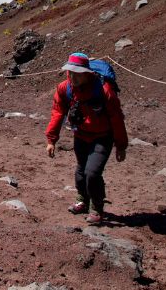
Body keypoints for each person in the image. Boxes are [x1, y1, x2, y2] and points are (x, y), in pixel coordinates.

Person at [45, 52, 127, 225]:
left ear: (87, 73)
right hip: (80, 135)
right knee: (81, 171)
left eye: (77, 73)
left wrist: (121, 145)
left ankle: (97, 208)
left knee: (92, 173)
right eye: (71, 72)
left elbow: (116, 118)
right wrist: (51, 139)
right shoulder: (65, 88)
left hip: (102, 137)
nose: (73, 77)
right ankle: (83, 200)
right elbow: (58, 112)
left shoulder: (104, 91)